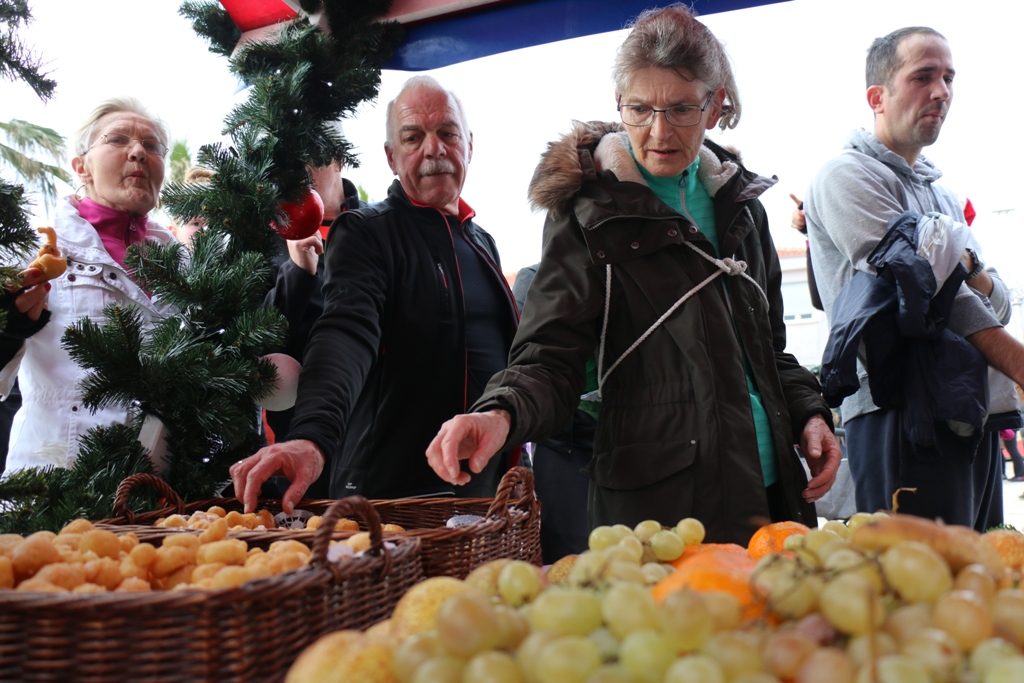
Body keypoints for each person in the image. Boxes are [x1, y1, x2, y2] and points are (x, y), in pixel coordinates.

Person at [425, 5, 841, 546]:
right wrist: (498, 413)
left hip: (773, 495)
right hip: (661, 515)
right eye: (640, 109)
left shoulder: (742, 209)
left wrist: (810, 414)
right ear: (618, 105)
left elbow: (769, 352)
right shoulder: (586, 214)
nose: (659, 131)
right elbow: (549, 358)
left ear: (715, 106)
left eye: (681, 109)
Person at [231, 76, 519, 512]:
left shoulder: (482, 242)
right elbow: (345, 333)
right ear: (391, 156)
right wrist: (311, 438)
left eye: (447, 133)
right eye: (413, 137)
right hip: (390, 495)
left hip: (483, 491)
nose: (434, 149)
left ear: (469, 144)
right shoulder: (366, 232)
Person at [805, 27, 1024, 530]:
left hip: (972, 405)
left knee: (980, 575)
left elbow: (995, 298)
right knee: (916, 589)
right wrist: (1014, 358)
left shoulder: (945, 197)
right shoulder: (845, 175)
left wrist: (966, 274)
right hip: (899, 409)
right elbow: (919, 286)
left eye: (949, 78)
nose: (942, 91)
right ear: (876, 97)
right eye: (923, 76)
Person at [0, 97, 177, 472]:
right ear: (82, 167)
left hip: (163, 496)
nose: (137, 153)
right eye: (117, 140)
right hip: (52, 486)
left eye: (151, 146)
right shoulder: (36, 253)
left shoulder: (187, 264)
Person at [512, 263, 594, 563]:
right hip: (568, 449)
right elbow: (523, 369)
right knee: (568, 566)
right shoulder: (535, 278)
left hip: (638, 445)